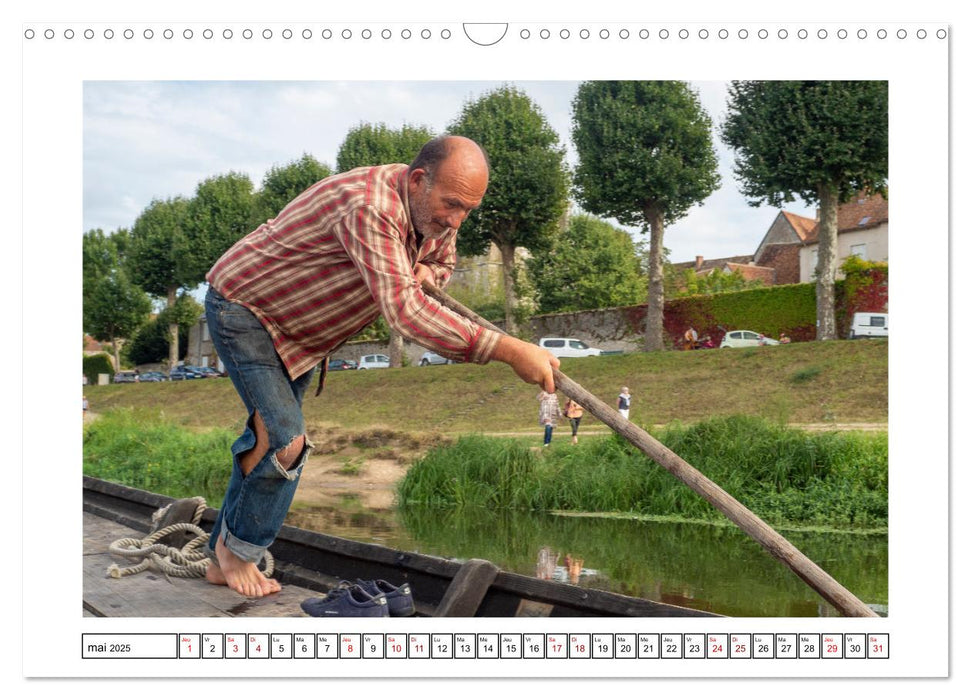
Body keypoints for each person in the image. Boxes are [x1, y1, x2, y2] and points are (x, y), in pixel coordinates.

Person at [202, 135, 560, 597]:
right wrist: (509, 349)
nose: (455, 219)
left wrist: (431, 272)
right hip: (246, 308)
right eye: (452, 204)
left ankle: (223, 555)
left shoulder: (435, 210)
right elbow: (405, 312)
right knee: (286, 439)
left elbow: (439, 260)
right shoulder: (368, 206)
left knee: (269, 436)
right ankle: (235, 555)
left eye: (467, 210)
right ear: (417, 180)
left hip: (303, 330)